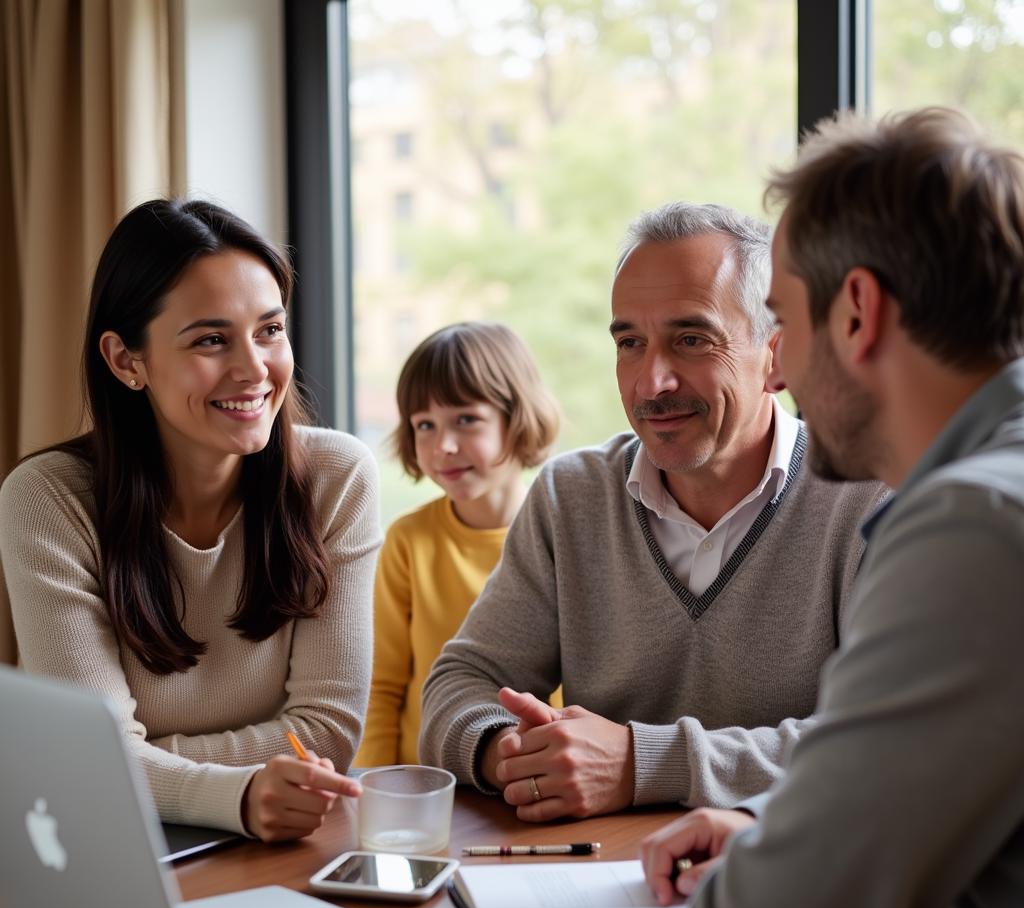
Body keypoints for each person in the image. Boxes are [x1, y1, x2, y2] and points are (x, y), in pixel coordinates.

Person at [641, 107, 1024, 908]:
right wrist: (785, 837)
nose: (779, 370)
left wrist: (778, 877)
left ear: (857, 312)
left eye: (782, 320)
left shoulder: (973, 535)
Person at [419, 202, 887, 820]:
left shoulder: (868, 499)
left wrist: (640, 764)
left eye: (691, 340)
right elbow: (459, 686)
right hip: (594, 883)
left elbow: (882, 744)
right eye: (630, 344)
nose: (652, 381)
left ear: (776, 356)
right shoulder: (571, 495)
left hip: (786, 880)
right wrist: (517, 753)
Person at [0, 198, 381, 843]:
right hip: (109, 844)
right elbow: (94, 766)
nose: (255, 370)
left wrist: (144, 761)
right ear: (126, 361)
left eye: (270, 330)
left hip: (283, 840)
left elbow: (326, 732)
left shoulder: (336, 479)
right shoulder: (48, 500)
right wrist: (236, 792)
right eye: (211, 339)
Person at [353, 321, 559, 767]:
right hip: (431, 783)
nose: (443, 445)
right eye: (425, 425)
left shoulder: (561, 537)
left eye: (466, 420)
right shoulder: (409, 541)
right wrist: (375, 786)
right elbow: (381, 685)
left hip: (537, 774)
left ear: (517, 418)